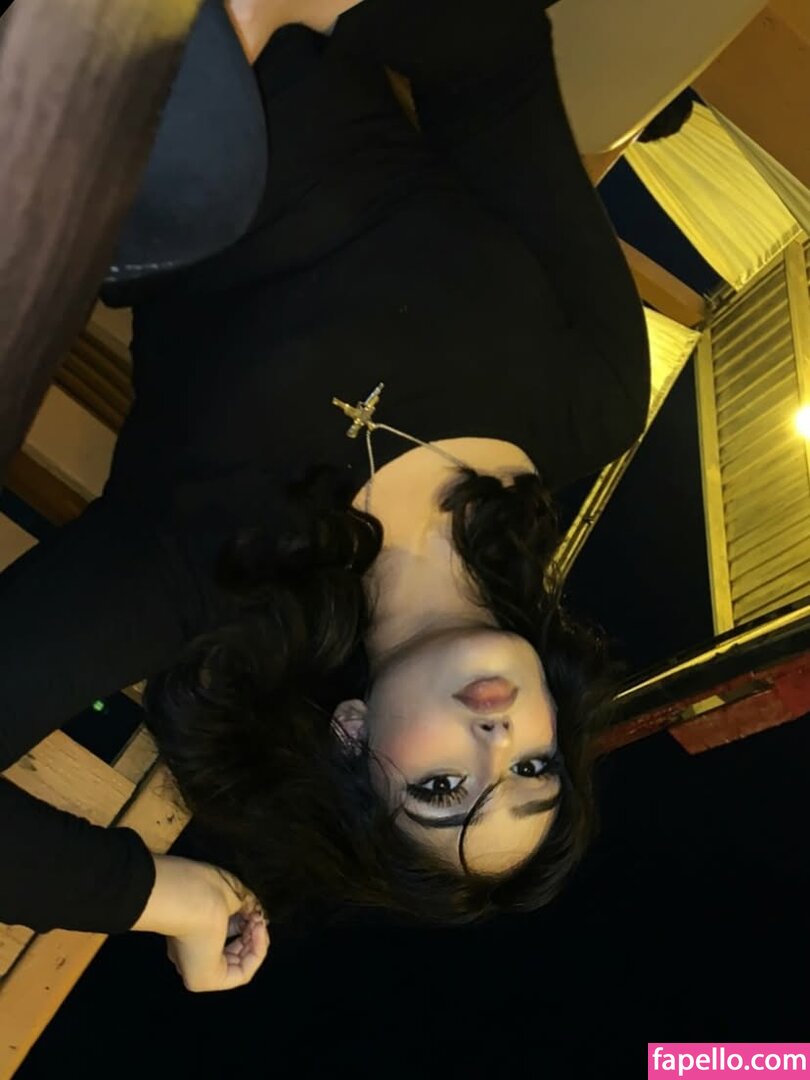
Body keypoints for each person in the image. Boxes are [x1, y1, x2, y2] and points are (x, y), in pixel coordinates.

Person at [0, 0, 650, 990]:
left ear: (352, 737)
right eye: (534, 771)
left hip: (71, 73)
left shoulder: (215, 574)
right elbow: (498, 68)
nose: (495, 745)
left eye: (443, 789)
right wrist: (298, 7)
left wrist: (162, 898)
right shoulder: (593, 404)